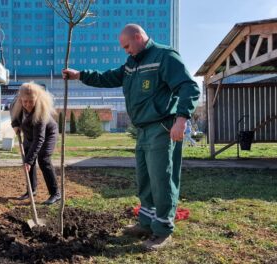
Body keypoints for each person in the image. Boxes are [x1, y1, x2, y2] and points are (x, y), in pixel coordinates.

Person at [62, 24, 200, 250]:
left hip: (161, 127)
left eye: (127, 46)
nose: (126, 51)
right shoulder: (131, 64)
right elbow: (108, 77)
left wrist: (181, 120)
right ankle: (146, 222)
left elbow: (188, 87)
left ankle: (163, 231)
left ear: (138, 37)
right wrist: (80, 75)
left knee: (161, 179)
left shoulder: (165, 56)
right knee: (145, 178)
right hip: (143, 130)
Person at [10, 82, 61, 205]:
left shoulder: (40, 113)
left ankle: (55, 193)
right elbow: (14, 116)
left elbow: (39, 139)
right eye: (25, 101)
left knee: (43, 159)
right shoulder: (16, 104)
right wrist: (15, 125)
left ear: (37, 99)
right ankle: (31, 191)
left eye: (31, 101)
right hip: (29, 136)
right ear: (20, 99)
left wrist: (28, 161)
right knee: (28, 158)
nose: (27, 105)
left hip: (47, 135)